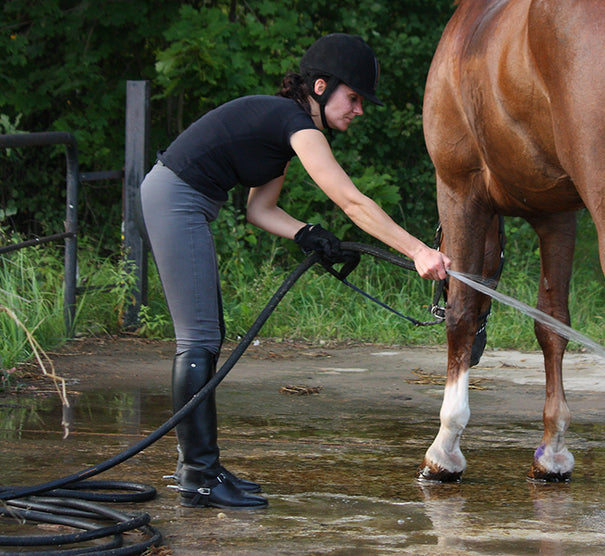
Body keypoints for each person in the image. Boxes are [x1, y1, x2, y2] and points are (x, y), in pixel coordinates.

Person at [139, 33, 450, 509]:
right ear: (321, 87)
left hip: (186, 200)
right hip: (176, 198)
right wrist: (418, 251)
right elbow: (349, 199)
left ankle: (200, 467)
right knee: (198, 338)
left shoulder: (280, 132)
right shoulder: (295, 124)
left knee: (208, 335)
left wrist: (307, 233)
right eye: (354, 98)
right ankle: (198, 475)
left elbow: (260, 210)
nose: (359, 110)